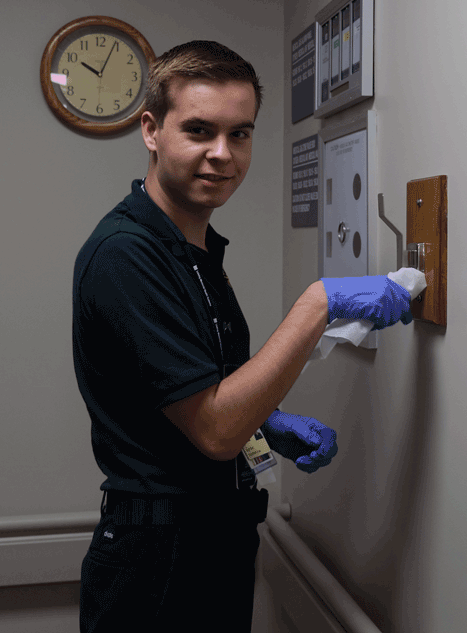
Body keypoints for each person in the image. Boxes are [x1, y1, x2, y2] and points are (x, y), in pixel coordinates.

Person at [72, 40, 413, 632]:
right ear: (151, 130)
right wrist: (319, 304)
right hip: (159, 557)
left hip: (207, 538)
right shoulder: (126, 255)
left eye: (241, 134)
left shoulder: (191, 247)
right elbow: (213, 430)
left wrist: (265, 423)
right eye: (200, 130)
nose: (222, 154)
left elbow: (200, 390)